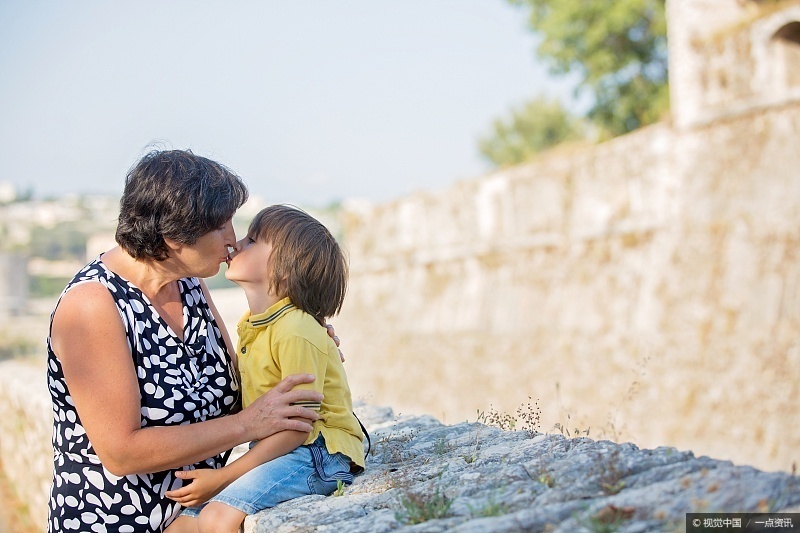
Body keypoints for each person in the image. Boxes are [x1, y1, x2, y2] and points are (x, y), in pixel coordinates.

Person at [47, 150, 334, 532]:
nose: (233, 240)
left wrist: (300, 328)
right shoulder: (91, 307)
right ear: (173, 237)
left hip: (196, 517)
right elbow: (121, 452)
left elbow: (242, 380)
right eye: (221, 227)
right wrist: (247, 426)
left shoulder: (189, 284)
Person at [164, 204, 365, 533]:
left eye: (253, 239)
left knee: (216, 519)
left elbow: (297, 428)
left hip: (317, 452)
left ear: (286, 269)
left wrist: (223, 477)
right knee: (181, 526)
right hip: (285, 450)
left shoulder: (295, 331)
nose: (237, 244)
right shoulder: (256, 326)